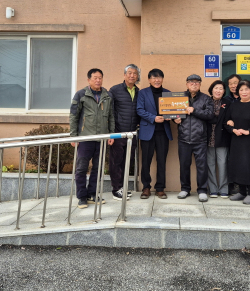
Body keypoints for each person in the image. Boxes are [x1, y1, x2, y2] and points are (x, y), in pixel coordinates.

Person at [69, 68, 115, 209]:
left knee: (98, 168)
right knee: (81, 168)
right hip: (85, 138)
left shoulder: (107, 95)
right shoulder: (81, 94)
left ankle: (92, 194)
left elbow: (111, 116)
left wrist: (111, 134)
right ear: (89, 80)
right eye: (95, 78)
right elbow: (73, 116)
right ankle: (82, 197)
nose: (98, 80)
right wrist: (73, 136)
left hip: (102, 138)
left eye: (100, 78)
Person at [174, 74, 214, 202]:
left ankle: (202, 190)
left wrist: (194, 110)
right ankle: (185, 189)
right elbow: (174, 112)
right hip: (184, 137)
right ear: (186, 84)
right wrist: (175, 120)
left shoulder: (206, 99)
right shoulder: (180, 97)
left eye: (197, 82)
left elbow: (210, 115)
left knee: (202, 166)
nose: (194, 84)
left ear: (200, 84)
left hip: (200, 138)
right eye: (191, 82)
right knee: (184, 165)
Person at [136, 69, 173, 199]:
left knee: (162, 161)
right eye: (154, 78)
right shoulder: (143, 93)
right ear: (149, 80)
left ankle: (160, 188)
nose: (157, 80)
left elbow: (174, 110)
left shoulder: (168, 93)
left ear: (162, 79)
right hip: (147, 132)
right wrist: (153, 118)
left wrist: (172, 117)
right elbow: (139, 110)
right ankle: (146, 187)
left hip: (163, 132)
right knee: (146, 161)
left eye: (159, 77)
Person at [108, 64, 140, 201]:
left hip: (132, 133)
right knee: (116, 161)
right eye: (129, 73)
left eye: (135, 73)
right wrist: (111, 132)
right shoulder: (115, 90)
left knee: (128, 161)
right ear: (124, 75)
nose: (132, 75)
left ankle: (123, 187)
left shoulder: (138, 91)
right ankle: (116, 189)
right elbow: (109, 111)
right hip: (118, 132)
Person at [206, 80, 230, 198]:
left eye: (221, 88)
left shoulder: (227, 103)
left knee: (222, 163)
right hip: (208, 136)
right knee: (210, 164)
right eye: (216, 88)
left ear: (224, 91)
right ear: (212, 89)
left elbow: (228, 118)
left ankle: (224, 188)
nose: (218, 91)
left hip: (222, 137)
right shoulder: (206, 101)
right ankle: (213, 189)